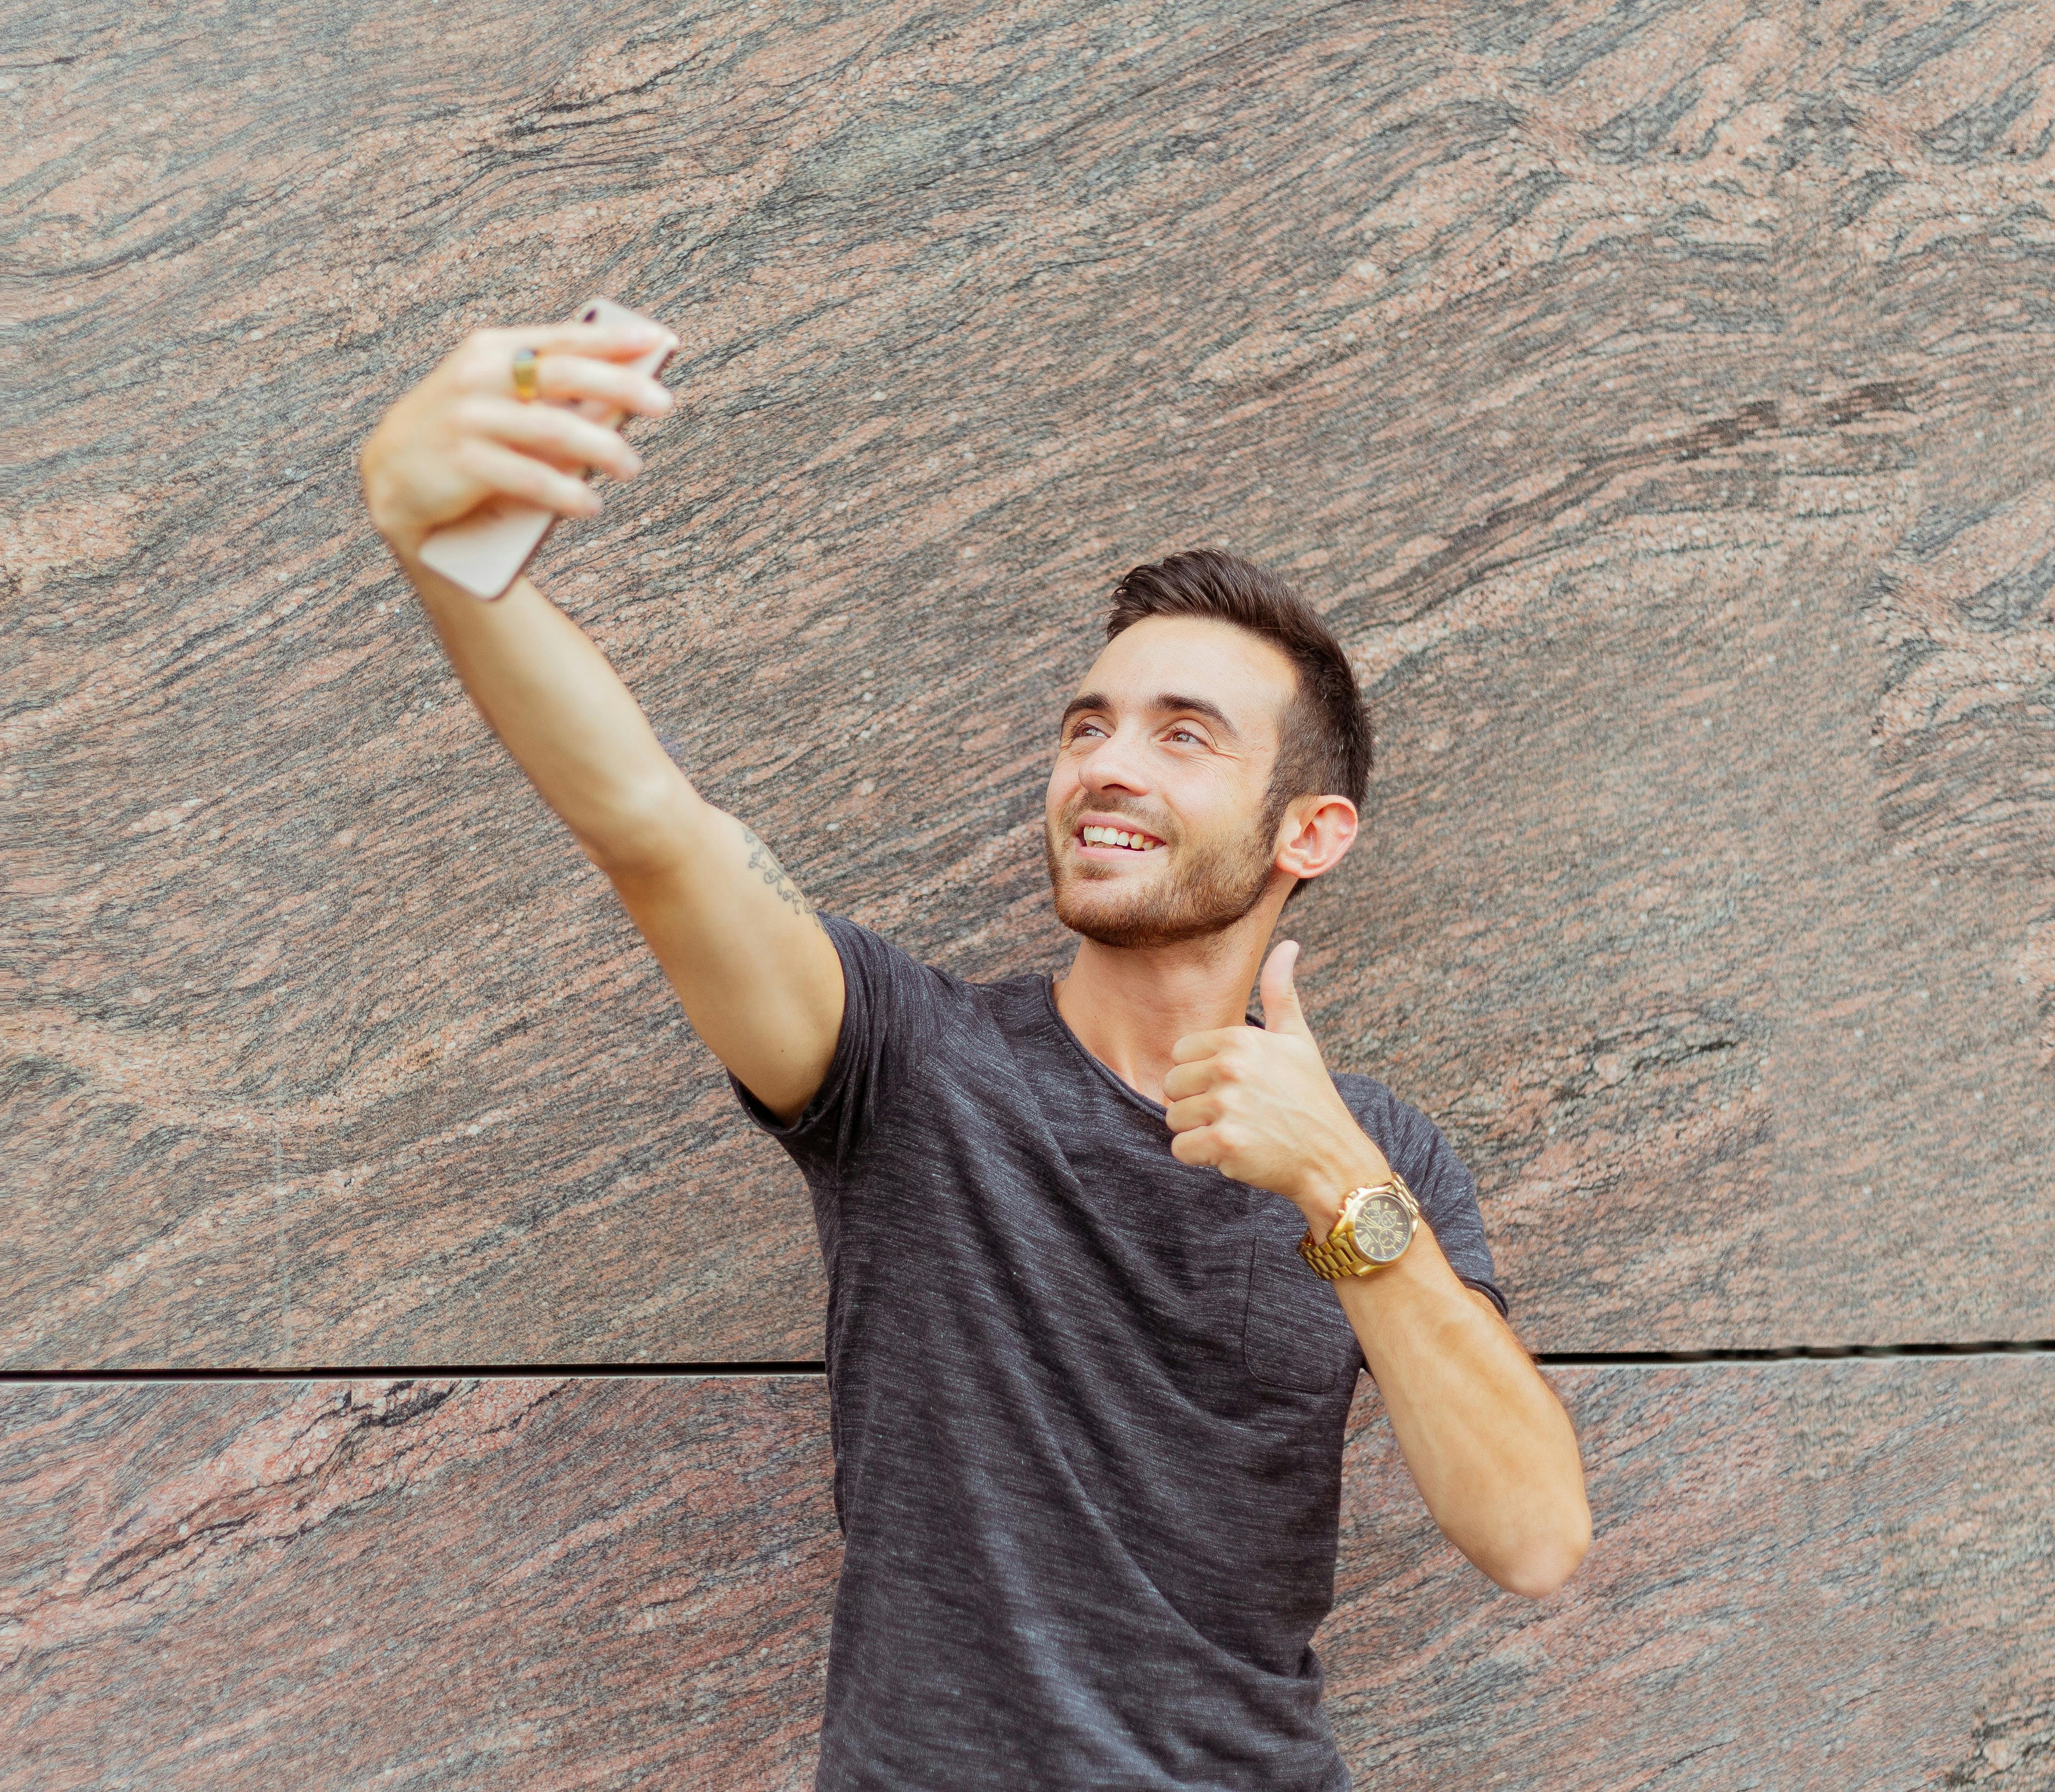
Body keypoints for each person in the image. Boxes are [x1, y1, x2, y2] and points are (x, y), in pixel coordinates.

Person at [357, 314, 1590, 1789]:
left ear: (1309, 834)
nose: (1106, 766)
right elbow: (657, 832)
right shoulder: (904, 1065)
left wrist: (1341, 1194)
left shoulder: (1380, 1156)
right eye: (1089, 726)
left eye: (1184, 736)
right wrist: (448, 558)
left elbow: (1532, 1536)